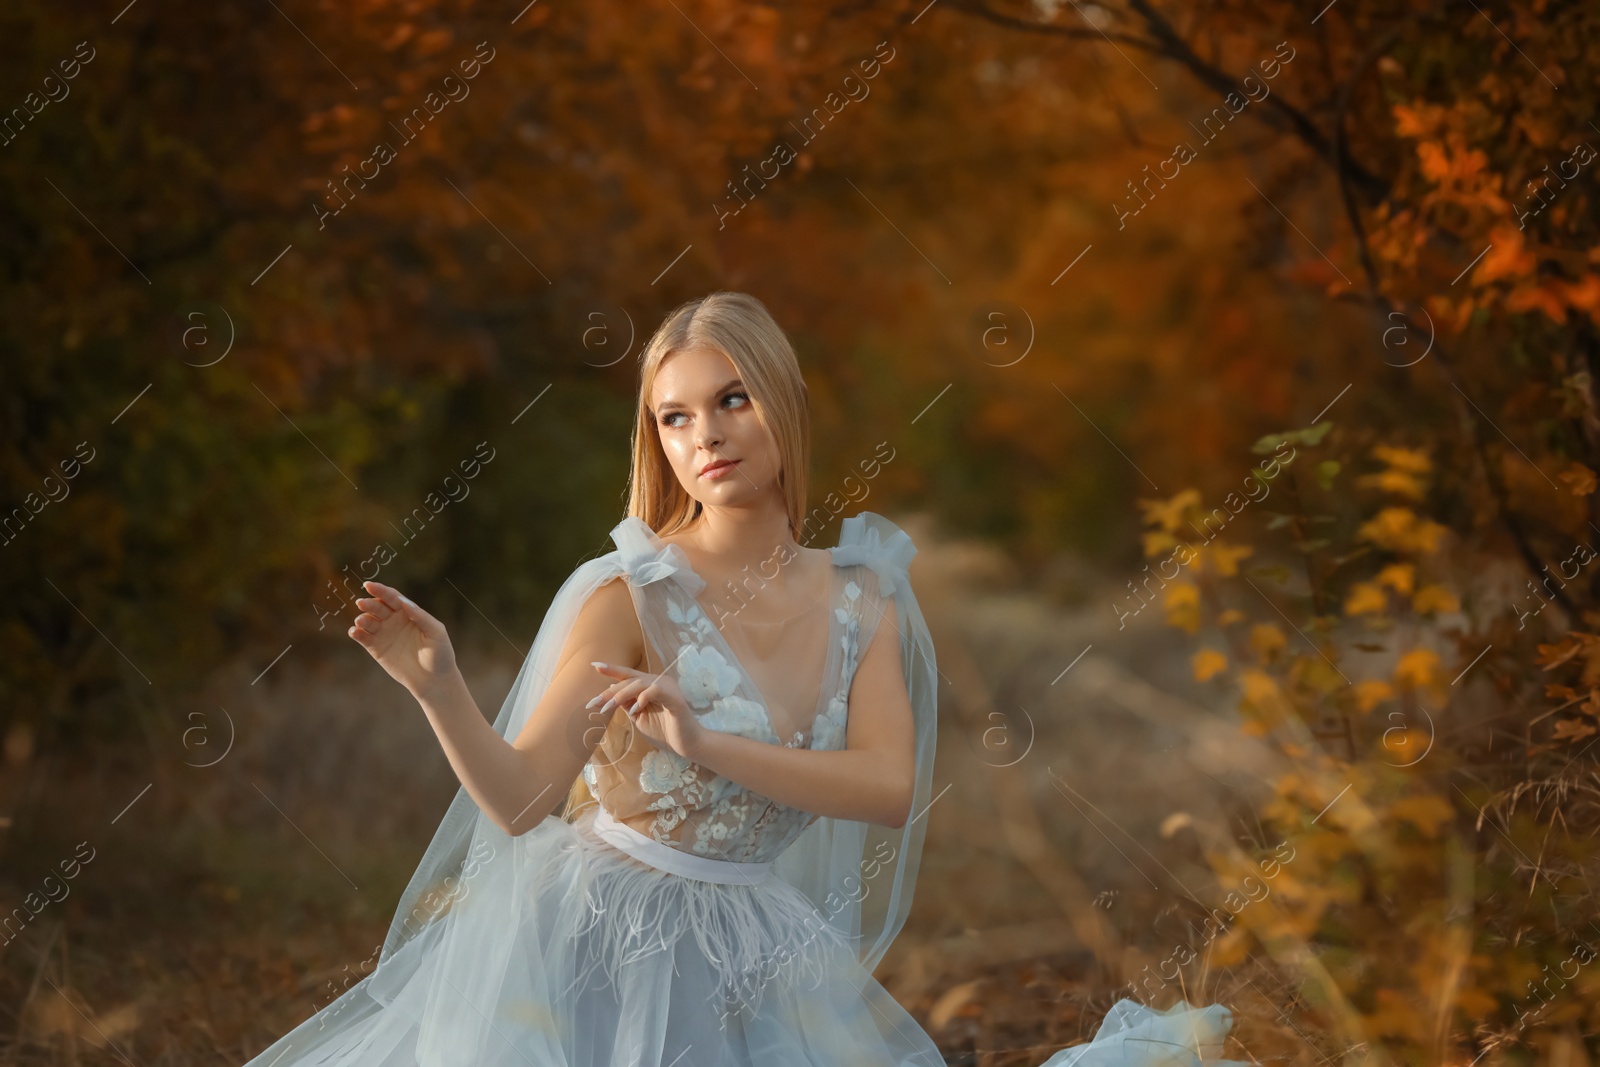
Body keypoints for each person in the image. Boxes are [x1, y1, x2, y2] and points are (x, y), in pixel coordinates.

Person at [240, 291, 1251, 1066]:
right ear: (658, 441)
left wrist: (704, 742)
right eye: (675, 418)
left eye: (730, 399)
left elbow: (887, 788)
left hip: (759, 940)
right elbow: (520, 802)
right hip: (599, 937)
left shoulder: (865, 598)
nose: (707, 434)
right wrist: (438, 684)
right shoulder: (626, 592)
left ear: (783, 404)